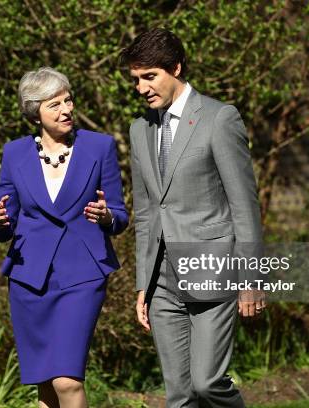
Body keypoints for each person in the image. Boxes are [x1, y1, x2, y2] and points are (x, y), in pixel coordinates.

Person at [121, 28, 265, 407]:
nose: (141, 88)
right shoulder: (140, 131)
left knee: (207, 384)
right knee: (179, 396)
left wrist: (251, 277)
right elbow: (148, 213)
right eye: (136, 79)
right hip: (162, 282)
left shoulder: (219, 119)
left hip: (212, 267)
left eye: (150, 76)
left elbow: (244, 206)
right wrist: (143, 283)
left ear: (177, 68)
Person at [0, 67, 128, 408]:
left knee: (66, 380)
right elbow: (5, 221)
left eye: (68, 100)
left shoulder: (99, 147)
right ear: (36, 112)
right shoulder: (14, 153)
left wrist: (107, 216)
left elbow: (119, 216)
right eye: (55, 104)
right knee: (45, 386)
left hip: (83, 275)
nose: (66, 110)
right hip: (29, 279)